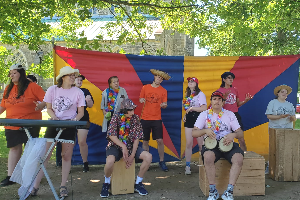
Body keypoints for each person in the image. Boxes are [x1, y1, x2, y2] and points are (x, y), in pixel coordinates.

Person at [31, 66, 86, 198]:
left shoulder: (78, 92)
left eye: (74, 75)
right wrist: (54, 118)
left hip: (69, 126)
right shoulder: (52, 89)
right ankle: (34, 186)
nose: (73, 77)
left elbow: (81, 112)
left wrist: (73, 121)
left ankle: (63, 186)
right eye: (70, 75)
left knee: (65, 156)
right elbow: (49, 108)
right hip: (53, 124)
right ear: (63, 77)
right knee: (45, 155)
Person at [192, 91, 244, 200]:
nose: (217, 101)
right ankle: (213, 190)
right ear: (211, 101)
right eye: (215, 99)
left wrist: (233, 135)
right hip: (211, 144)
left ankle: (229, 191)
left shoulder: (230, 114)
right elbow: (194, 132)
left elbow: (240, 133)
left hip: (227, 143)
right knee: (208, 157)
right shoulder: (204, 114)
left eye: (219, 99)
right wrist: (205, 130)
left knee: (239, 158)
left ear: (223, 102)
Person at [0, 64, 45, 187]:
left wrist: (41, 105)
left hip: (30, 123)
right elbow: (3, 105)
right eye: (10, 73)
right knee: (14, 148)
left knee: (30, 150)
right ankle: (11, 177)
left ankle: (31, 176)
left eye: (14, 72)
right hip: (11, 123)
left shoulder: (32, 86)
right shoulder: (8, 88)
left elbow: (46, 99)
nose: (11, 75)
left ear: (21, 73)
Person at [100, 99, 152, 198]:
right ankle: (106, 183)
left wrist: (132, 154)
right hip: (115, 146)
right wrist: (123, 146)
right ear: (124, 111)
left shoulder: (135, 118)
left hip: (131, 146)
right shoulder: (115, 117)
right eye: (130, 110)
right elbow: (111, 135)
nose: (133, 112)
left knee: (148, 157)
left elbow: (137, 138)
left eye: (133, 109)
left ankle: (138, 183)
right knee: (110, 161)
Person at [139, 69, 170, 172]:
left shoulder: (164, 91)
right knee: (145, 141)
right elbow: (140, 99)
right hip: (145, 118)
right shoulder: (145, 87)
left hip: (157, 118)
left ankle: (161, 161)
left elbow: (165, 104)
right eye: (158, 77)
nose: (159, 79)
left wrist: (164, 105)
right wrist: (142, 100)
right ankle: (146, 161)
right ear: (154, 77)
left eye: (161, 78)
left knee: (160, 140)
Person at [265, 84, 296, 174]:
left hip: (288, 128)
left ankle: (285, 169)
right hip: (275, 128)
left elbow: (294, 117)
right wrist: (280, 116)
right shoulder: (272, 103)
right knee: (273, 148)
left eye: (286, 93)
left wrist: (292, 118)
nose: (284, 94)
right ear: (278, 93)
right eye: (282, 92)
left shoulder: (290, 105)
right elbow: (269, 116)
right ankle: (270, 166)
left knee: (286, 148)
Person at [218, 71, 252, 151]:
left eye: (232, 78)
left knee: (241, 138)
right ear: (224, 79)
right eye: (229, 78)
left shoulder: (235, 90)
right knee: (224, 138)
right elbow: (218, 107)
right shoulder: (219, 91)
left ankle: (245, 157)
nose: (231, 80)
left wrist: (245, 101)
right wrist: (224, 98)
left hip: (235, 115)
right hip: (224, 116)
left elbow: (237, 104)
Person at [182, 77, 207, 175]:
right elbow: (187, 108)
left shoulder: (200, 94)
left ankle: (204, 165)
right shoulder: (187, 95)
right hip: (189, 119)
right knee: (189, 143)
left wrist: (192, 108)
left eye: (192, 81)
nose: (190, 83)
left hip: (198, 119)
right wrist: (185, 114)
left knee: (201, 144)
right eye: (189, 81)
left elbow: (204, 108)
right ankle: (187, 165)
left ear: (196, 83)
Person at [74, 74, 94, 172]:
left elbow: (91, 105)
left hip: (83, 119)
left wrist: (88, 100)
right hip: (69, 119)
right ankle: (67, 163)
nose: (79, 81)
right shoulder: (67, 91)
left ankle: (85, 163)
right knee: (69, 143)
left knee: (82, 141)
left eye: (81, 80)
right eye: (77, 79)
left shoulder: (85, 91)